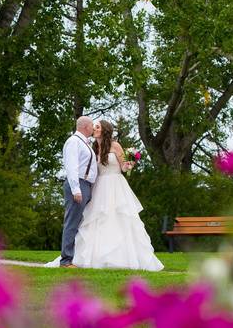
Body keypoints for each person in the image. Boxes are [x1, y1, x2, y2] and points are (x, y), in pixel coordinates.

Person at [48, 119, 163, 272]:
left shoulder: (115, 146)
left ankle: (122, 257)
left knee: (118, 219)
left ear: (105, 130)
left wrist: (130, 163)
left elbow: (123, 167)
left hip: (116, 186)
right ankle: (80, 257)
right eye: (93, 126)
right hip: (98, 187)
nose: (94, 129)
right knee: (95, 220)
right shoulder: (92, 147)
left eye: (97, 127)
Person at [57, 116, 98, 268]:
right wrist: (76, 189)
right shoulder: (73, 142)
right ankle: (66, 260)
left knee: (80, 223)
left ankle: (76, 257)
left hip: (85, 185)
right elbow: (71, 167)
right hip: (78, 185)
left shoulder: (85, 143)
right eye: (92, 125)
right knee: (72, 223)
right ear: (86, 126)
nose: (93, 128)